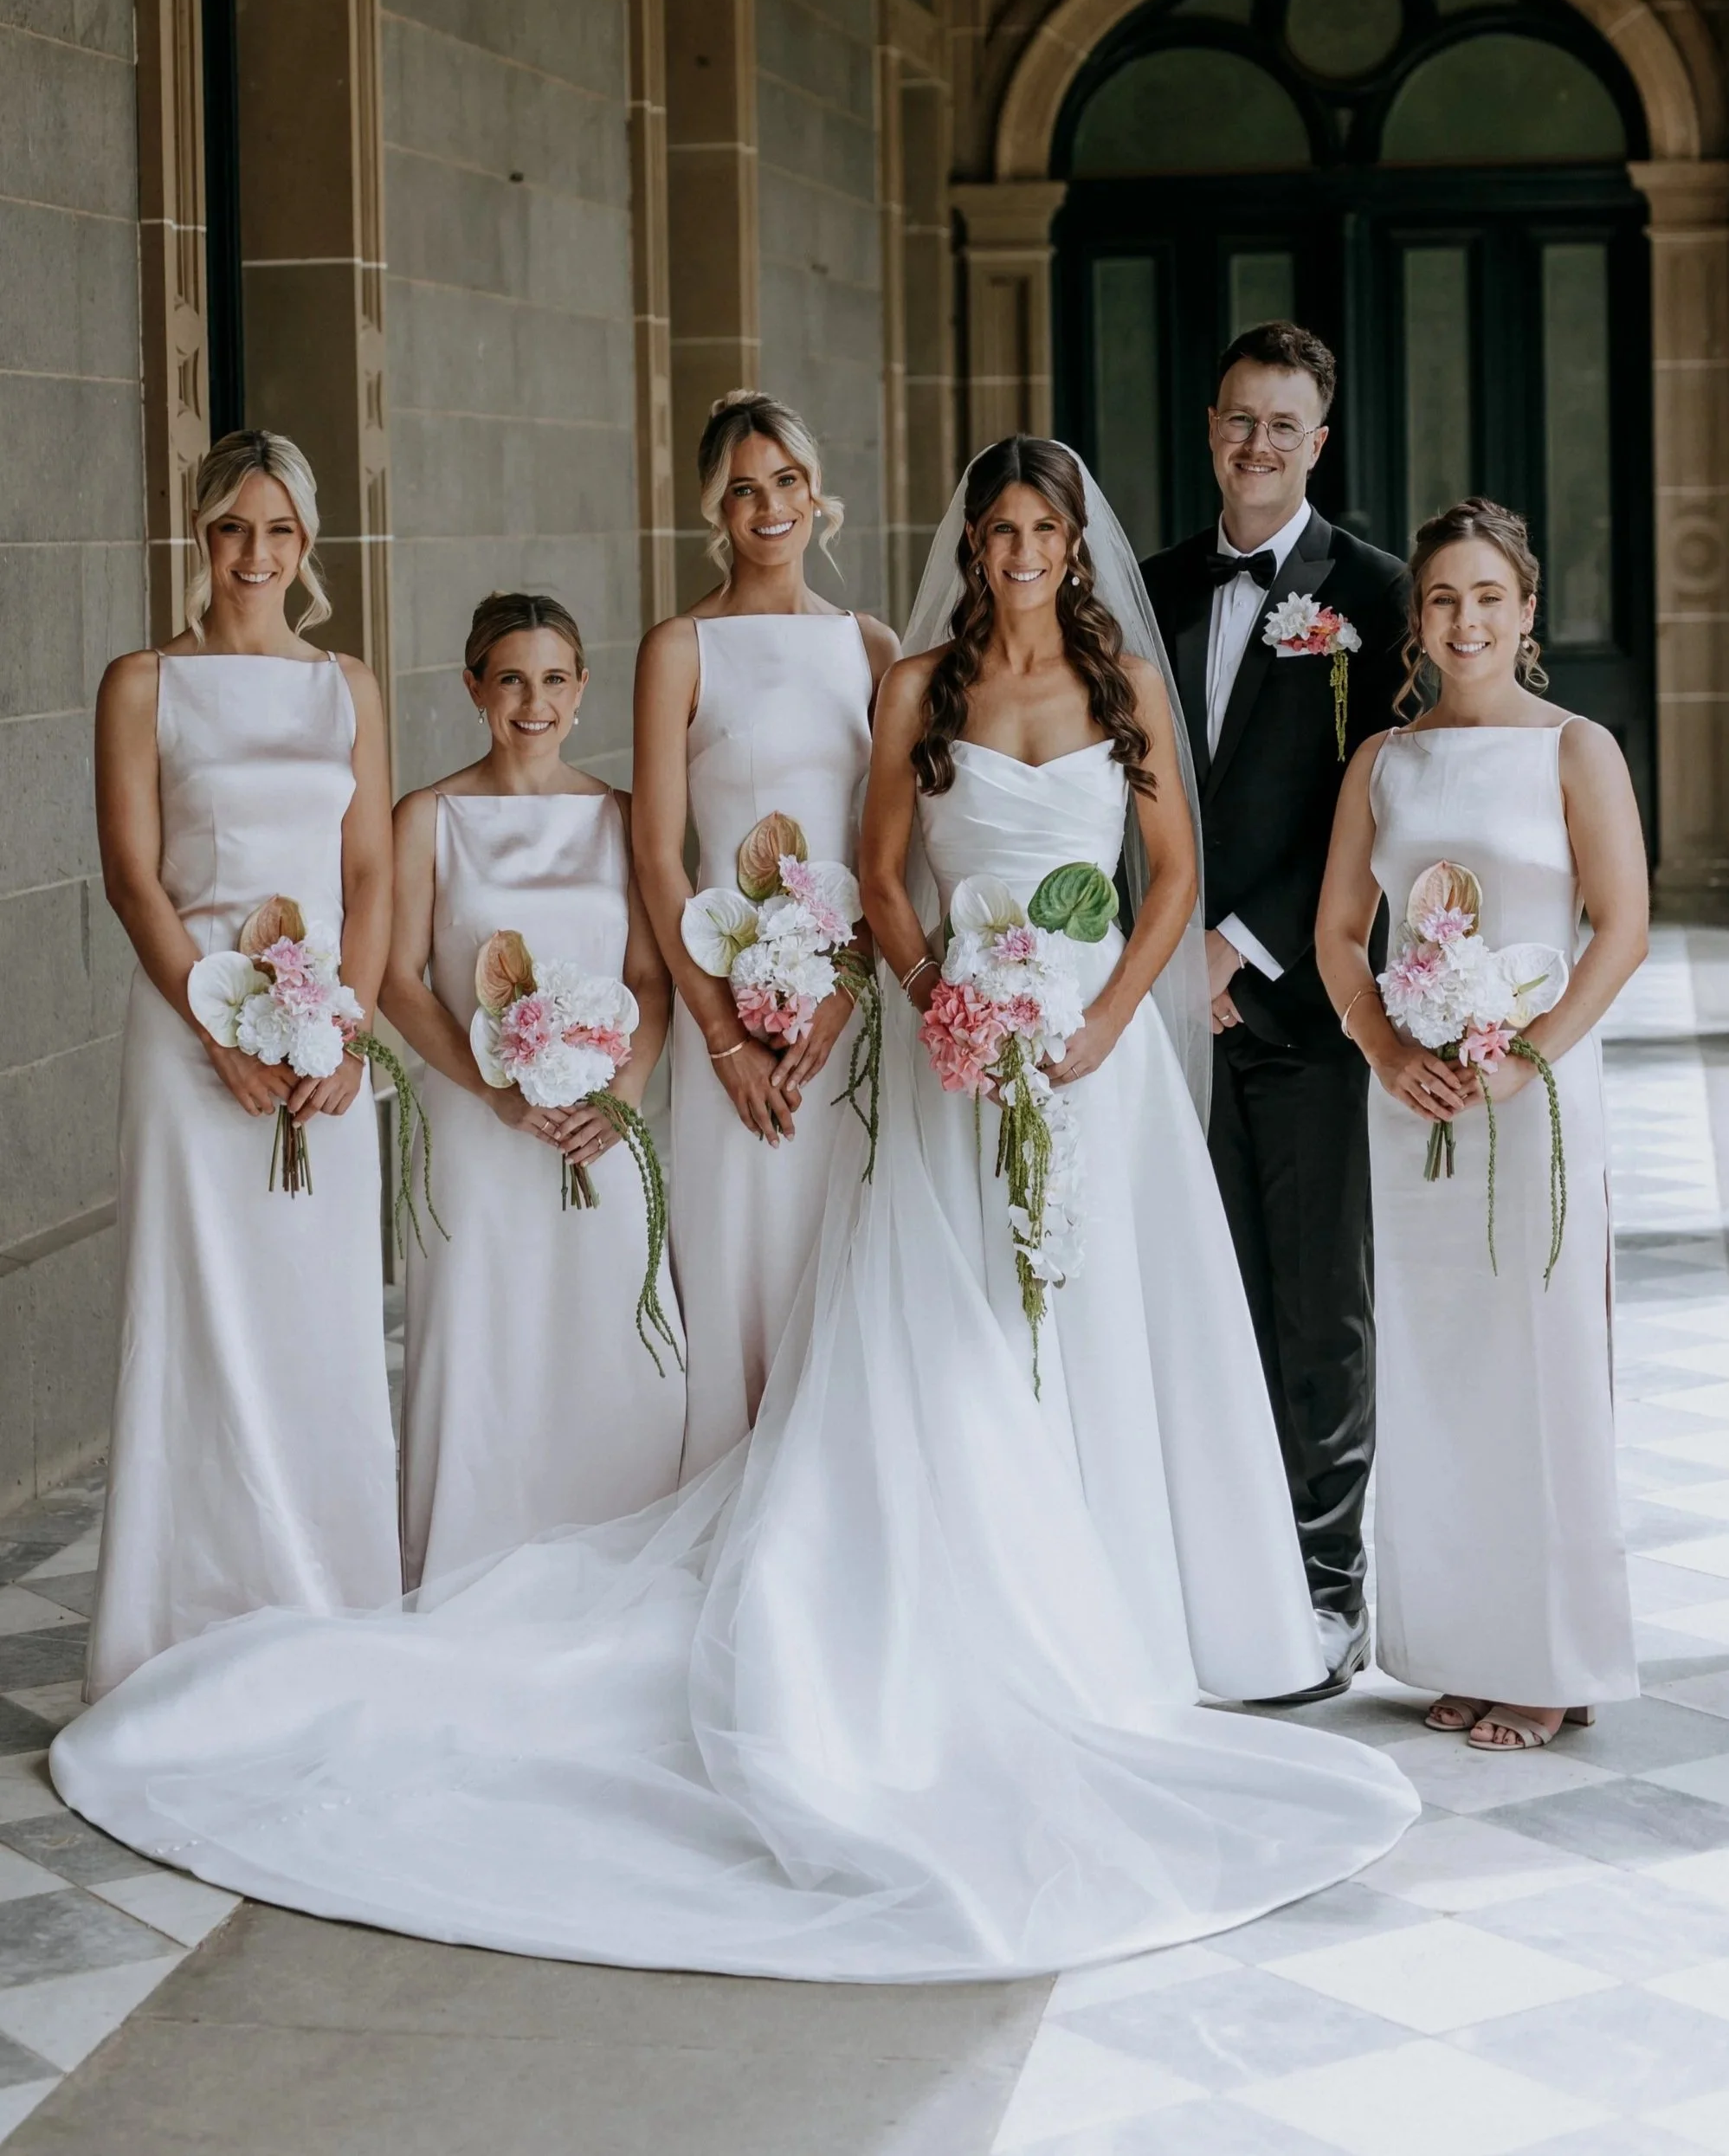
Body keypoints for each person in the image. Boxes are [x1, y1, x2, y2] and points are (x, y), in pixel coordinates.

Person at [51, 444, 1416, 1976]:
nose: (1023, 548)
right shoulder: (906, 682)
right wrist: (925, 1001)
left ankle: (1136, 1607)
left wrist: (1093, 1019)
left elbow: (1170, 875)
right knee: (936, 1320)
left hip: (1086, 1051)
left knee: (1108, 1314)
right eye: (1000, 527)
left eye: (1044, 527)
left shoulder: (1098, 682)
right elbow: (862, 873)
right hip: (937, 1035)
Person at [1317, 500, 1642, 1749]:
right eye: (1443, 598)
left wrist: (1526, 1060)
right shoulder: (1382, 761)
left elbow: (1618, 927)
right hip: (1412, 1106)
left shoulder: (1575, 749)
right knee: (1436, 1363)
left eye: (1487, 597)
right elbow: (1339, 933)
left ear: (1525, 610)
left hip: (1534, 1096)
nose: (1464, 620)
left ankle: (1547, 1659)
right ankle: (1460, 1644)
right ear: (1419, 617)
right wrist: (1387, 1049)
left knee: (1538, 1366)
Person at [84, 430, 399, 1700]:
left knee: (318, 1318)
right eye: (230, 528)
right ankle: (177, 1622)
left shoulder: (346, 686)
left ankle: (326, 1605)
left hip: (323, 1049)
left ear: (306, 542)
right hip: (189, 1045)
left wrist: (349, 1030)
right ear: (199, 533)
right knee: (195, 1318)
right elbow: (133, 876)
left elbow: (368, 869)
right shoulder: (143, 682)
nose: (253, 554)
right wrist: (216, 1027)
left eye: (276, 530)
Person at [1142, 322, 1407, 1698]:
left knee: (1317, 1307)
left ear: (1319, 443)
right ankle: (1219, 1571)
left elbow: (1375, 797)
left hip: (1302, 1004)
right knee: (1204, 1294)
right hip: (1161, 1011)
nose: (1257, 445)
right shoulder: (1144, 587)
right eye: (1239, 419)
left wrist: (1235, 952)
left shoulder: (1374, 592)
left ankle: (1326, 1585)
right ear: (1210, 429)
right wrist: (1161, 957)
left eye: (1283, 425)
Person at [384, 592, 683, 1591]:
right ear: (473, 686)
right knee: (484, 1335)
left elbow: (649, 979)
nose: (533, 701)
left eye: (553, 678)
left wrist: (621, 1098)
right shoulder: (426, 818)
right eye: (510, 678)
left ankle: (621, 1555)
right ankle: (469, 1561)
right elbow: (397, 979)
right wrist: (497, 1090)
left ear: (582, 687)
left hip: (601, 1123)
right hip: (476, 1125)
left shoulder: (623, 817)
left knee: (609, 1332)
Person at [631, 391, 897, 1475]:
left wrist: (844, 991)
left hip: (844, 1015)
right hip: (724, 1018)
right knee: (737, 1248)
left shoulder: (869, 646)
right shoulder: (679, 647)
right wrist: (722, 1036)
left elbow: (889, 848)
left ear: (815, 490)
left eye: (785, 480)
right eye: (742, 488)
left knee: (840, 1247)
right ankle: (729, 1485)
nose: (768, 505)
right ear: (715, 506)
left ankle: (836, 1485)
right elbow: (658, 854)